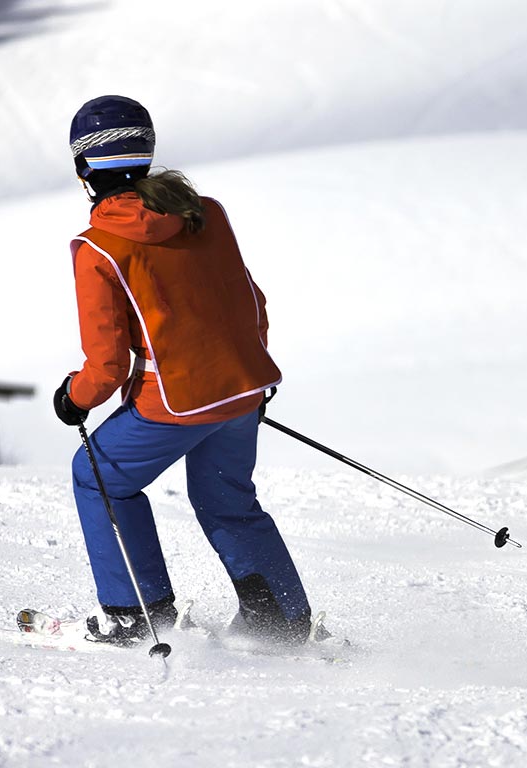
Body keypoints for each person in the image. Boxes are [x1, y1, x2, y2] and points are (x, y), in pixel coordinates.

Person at [55, 95, 313, 645]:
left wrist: (74, 398)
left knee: (96, 477)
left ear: (84, 170)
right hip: (244, 388)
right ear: (145, 153)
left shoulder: (97, 248)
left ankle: (136, 614)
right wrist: (248, 370)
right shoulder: (206, 213)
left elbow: (105, 366)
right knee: (227, 499)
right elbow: (251, 301)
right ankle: (281, 623)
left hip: (173, 402)